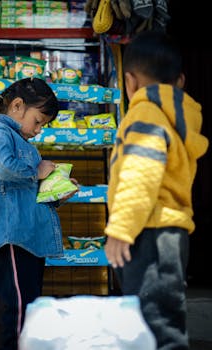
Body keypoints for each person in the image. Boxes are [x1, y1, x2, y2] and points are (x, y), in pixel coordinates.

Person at [104, 30, 209, 349]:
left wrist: (121, 229)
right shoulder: (176, 119)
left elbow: (140, 173)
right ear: (179, 82)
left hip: (148, 232)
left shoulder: (145, 114)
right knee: (161, 319)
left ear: (130, 81)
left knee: (156, 326)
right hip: (168, 233)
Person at [0, 77, 76, 350]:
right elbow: (4, 169)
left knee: (31, 309)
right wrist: (37, 172)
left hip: (32, 238)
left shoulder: (28, 147)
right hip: (13, 236)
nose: (38, 131)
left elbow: (35, 193)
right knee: (20, 309)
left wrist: (58, 192)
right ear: (17, 106)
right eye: (37, 122)